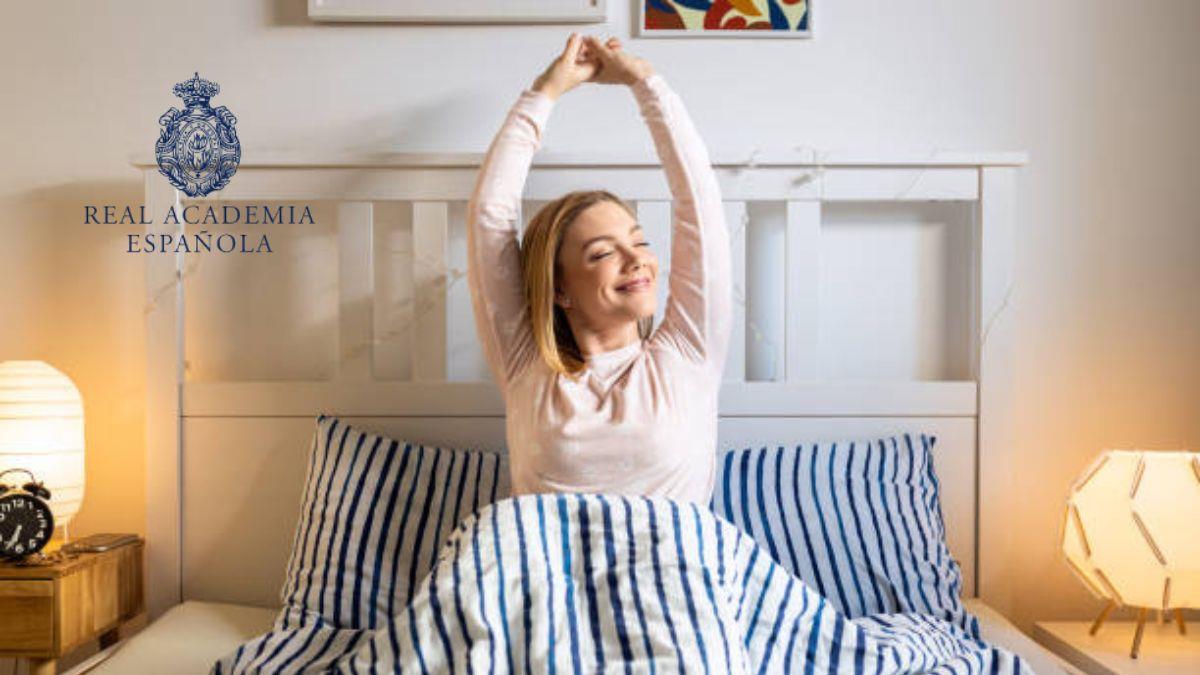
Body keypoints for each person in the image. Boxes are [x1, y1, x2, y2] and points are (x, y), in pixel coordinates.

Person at [466, 33, 732, 505]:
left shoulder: (688, 354)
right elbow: (489, 216)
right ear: (559, 289)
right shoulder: (527, 367)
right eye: (603, 253)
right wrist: (544, 93)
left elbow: (699, 204)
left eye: (640, 242)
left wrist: (645, 83)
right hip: (544, 552)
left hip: (670, 550)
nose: (637, 259)